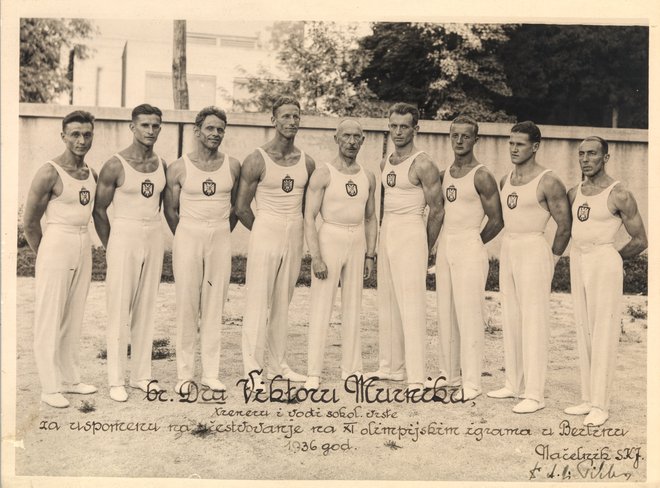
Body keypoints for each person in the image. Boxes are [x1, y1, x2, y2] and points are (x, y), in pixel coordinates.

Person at [486, 121, 571, 413]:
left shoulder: (548, 181)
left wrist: (552, 259)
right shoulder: (504, 179)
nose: (513, 148)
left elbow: (565, 225)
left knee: (533, 321)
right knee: (511, 316)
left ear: (534, 146)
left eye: (519, 144)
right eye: (511, 143)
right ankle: (514, 384)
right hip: (509, 248)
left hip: (535, 249)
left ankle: (535, 393)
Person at [564, 136, 647, 426]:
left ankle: (601, 404)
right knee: (584, 328)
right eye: (582, 154)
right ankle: (588, 397)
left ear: (605, 158)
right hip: (579, 258)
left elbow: (640, 240)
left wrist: (612, 260)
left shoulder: (619, 193)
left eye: (592, 154)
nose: (585, 159)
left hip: (604, 260)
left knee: (603, 332)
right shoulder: (575, 193)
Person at [236, 96, 316, 387]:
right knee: (258, 301)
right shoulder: (257, 158)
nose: (291, 122)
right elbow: (241, 207)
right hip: (266, 227)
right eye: (285, 116)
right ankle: (253, 370)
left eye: (296, 116)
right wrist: (263, 232)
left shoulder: (306, 161)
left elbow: (309, 209)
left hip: (294, 231)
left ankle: (278, 365)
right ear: (274, 120)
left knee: (284, 301)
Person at [23, 111, 99, 408]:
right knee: (50, 315)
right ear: (63, 136)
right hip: (56, 241)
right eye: (75, 134)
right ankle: (49, 386)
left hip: (83, 241)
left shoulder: (91, 173)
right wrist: (45, 256)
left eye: (87, 134)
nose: (81, 140)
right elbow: (30, 222)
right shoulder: (49, 172)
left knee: (74, 312)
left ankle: (70, 377)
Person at [163, 106, 241, 394]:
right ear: (197, 131)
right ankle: (184, 375)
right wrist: (187, 235)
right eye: (210, 128)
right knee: (187, 304)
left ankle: (210, 372)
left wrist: (218, 232)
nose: (215, 134)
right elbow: (170, 210)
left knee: (214, 303)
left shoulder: (232, 166)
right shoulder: (179, 167)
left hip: (220, 234)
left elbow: (235, 208)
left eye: (220, 129)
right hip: (188, 233)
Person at [367, 103, 444, 392]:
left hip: (412, 231)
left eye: (404, 126)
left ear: (416, 128)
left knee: (411, 305)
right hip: (389, 231)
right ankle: (391, 366)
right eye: (394, 126)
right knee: (387, 301)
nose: (398, 132)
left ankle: (417, 376)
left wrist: (426, 246)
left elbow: (437, 210)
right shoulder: (386, 160)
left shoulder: (423, 163)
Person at [93, 104, 167, 402]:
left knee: (147, 307)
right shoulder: (115, 165)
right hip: (123, 234)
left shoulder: (163, 163)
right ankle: (116, 379)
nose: (151, 131)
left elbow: (159, 206)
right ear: (132, 127)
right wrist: (112, 247)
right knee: (119, 309)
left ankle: (141, 375)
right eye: (145, 125)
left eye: (156, 126)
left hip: (153, 234)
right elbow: (99, 210)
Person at [431, 115, 504, 400]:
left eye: (465, 136)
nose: (459, 141)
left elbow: (497, 219)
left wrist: (475, 242)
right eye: (455, 135)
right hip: (446, 246)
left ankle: (472, 383)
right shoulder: (444, 173)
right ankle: (450, 375)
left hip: (470, 245)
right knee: (446, 311)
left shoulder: (482, 175)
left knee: (470, 314)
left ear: (476, 139)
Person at [303, 119, 377, 390]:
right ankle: (314, 372)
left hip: (356, 239)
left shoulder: (367, 176)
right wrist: (316, 256)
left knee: (354, 305)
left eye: (356, 136)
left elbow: (370, 217)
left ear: (363, 140)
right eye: (346, 136)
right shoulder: (324, 173)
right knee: (321, 306)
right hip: (330, 236)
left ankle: (352, 369)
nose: (351, 141)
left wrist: (371, 254)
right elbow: (309, 217)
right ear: (336, 138)